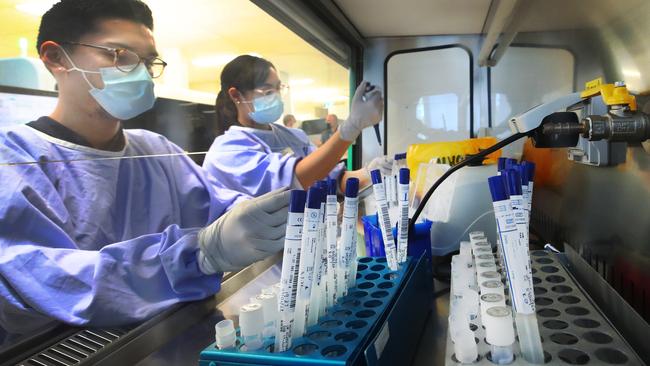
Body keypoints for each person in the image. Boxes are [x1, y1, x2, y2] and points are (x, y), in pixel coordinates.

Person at [0, 0, 290, 331]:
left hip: (165, 335)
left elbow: (219, 206)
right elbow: (47, 278)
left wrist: (267, 217)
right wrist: (199, 255)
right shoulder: (14, 161)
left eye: (147, 62)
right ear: (56, 58)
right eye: (118, 55)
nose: (139, 73)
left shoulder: (154, 149)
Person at [203, 55, 393, 197]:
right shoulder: (226, 152)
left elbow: (331, 180)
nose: (276, 96)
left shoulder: (293, 136)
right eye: (268, 90)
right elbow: (296, 179)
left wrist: (370, 174)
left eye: (278, 88)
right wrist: (352, 126)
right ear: (236, 95)